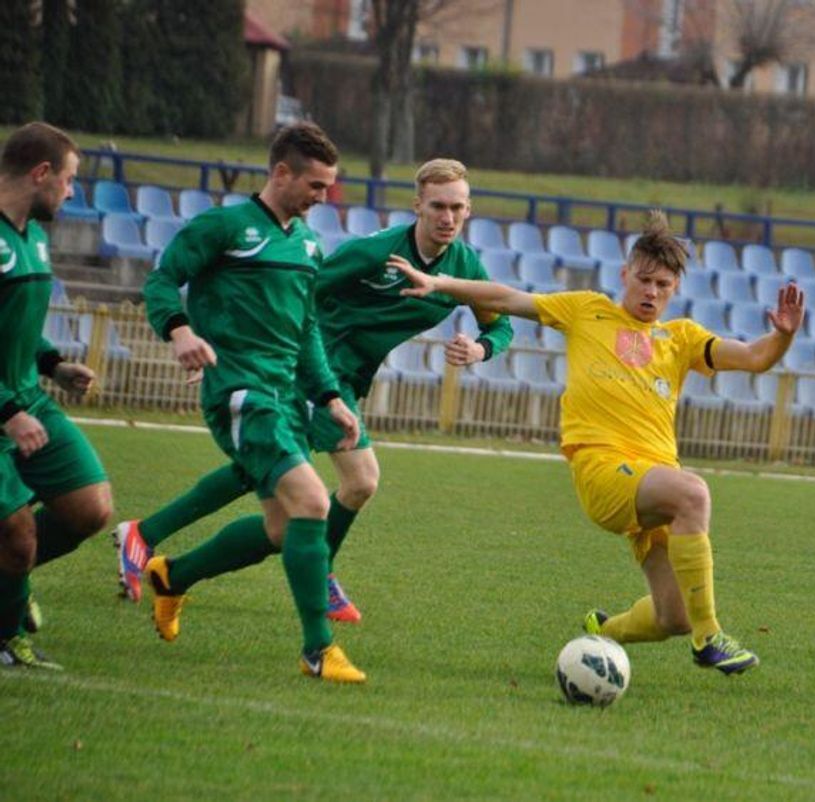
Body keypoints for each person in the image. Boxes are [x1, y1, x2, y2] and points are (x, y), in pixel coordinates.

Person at [394, 210, 805, 674]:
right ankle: (709, 637)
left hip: (652, 482)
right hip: (604, 471)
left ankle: (602, 633)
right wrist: (443, 284)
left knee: (673, 616)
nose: (652, 292)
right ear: (625, 274)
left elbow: (754, 357)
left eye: (663, 285)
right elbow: (509, 298)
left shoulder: (682, 338)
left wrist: (783, 336)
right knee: (694, 493)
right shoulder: (586, 310)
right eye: (644, 280)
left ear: (675, 289)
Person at [114, 158, 513, 625]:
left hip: (341, 380)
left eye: (458, 208)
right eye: (438, 206)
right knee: (358, 480)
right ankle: (313, 576)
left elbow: (500, 324)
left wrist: (480, 350)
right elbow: (291, 293)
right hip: (312, 371)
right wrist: (246, 353)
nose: (448, 218)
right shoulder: (377, 253)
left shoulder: (464, 266)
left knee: (265, 483)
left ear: (469, 211)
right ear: (417, 206)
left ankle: (153, 546)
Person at [141, 122, 366, 683]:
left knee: (281, 529)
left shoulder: (309, 246)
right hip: (240, 393)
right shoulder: (224, 226)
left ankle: (173, 577)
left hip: (287, 399)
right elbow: (162, 280)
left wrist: (330, 396)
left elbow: (307, 328)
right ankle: (318, 649)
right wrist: (179, 331)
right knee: (314, 501)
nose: (322, 198)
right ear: (281, 172)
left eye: (328, 188)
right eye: (315, 186)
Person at [0, 122, 114, 669]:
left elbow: (14, 325)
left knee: (89, 508)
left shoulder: (35, 236)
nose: (72, 193)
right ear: (41, 173)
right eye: (69, 181)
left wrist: (52, 364)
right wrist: (7, 413)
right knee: (18, 535)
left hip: (27, 398)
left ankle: (7, 587)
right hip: (6, 409)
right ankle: (8, 636)